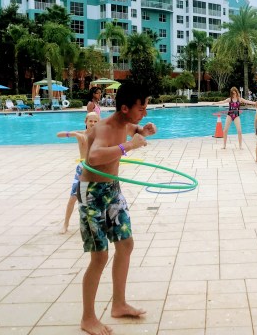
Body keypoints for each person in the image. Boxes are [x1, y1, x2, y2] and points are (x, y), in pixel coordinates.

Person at [78, 81, 157, 334]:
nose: (145, 111)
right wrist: (129, 146)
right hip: (91, 193)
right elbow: (94, 157)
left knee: (125, 244)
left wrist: (143, 130)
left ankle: (119, 304)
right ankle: (88, 318)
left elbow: (133, 129)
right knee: (99, 256)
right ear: (124, 108)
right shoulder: (103, 128)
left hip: (112, 189)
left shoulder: (125, 123)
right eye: (141, 108)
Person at [56, 112, 101, 234]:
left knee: (98, 198)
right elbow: (58, 134)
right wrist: (74, 134)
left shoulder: (101, 136)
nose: (92, 123)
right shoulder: (81, 134)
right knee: (73, 197)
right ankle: (65, 224)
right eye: (90, 121)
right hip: (82, 169)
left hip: (97, 170)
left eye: (95, 121)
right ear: (86, 121)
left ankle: (98, 224)